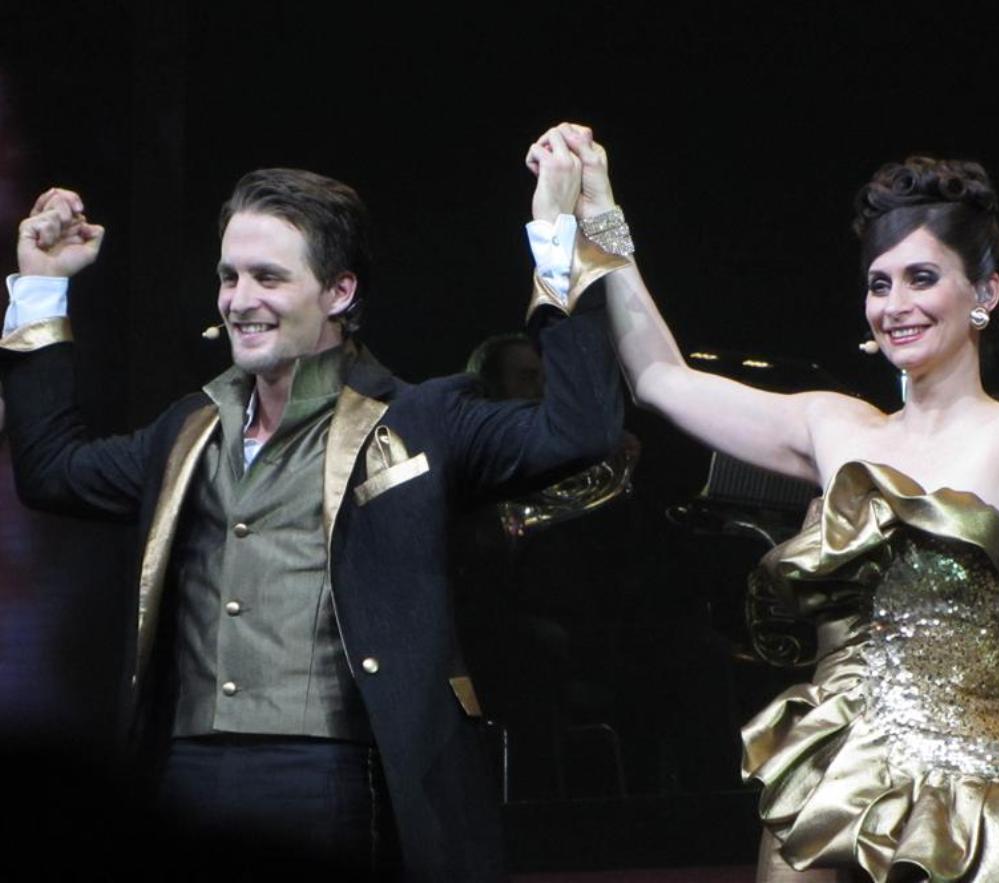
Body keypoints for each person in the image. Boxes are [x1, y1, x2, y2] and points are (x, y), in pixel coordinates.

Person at [522, 8, 999, 880]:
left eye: (921, 278)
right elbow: (660, 378)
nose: (895, 304)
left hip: (969, 819)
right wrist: (601, 210)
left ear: (985, 293)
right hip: (831, 790)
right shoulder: (836, 427)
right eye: (879, 283)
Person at [0, 158, 625, 878]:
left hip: (333, 774)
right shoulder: (189, 428)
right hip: (182, 769)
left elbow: (579, 431)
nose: (240, 300)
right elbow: (51, 470)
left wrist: (556, 237)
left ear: (339, 291)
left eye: (268, 277)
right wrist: (42, 283)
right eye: (229, 277)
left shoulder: (421, 417)